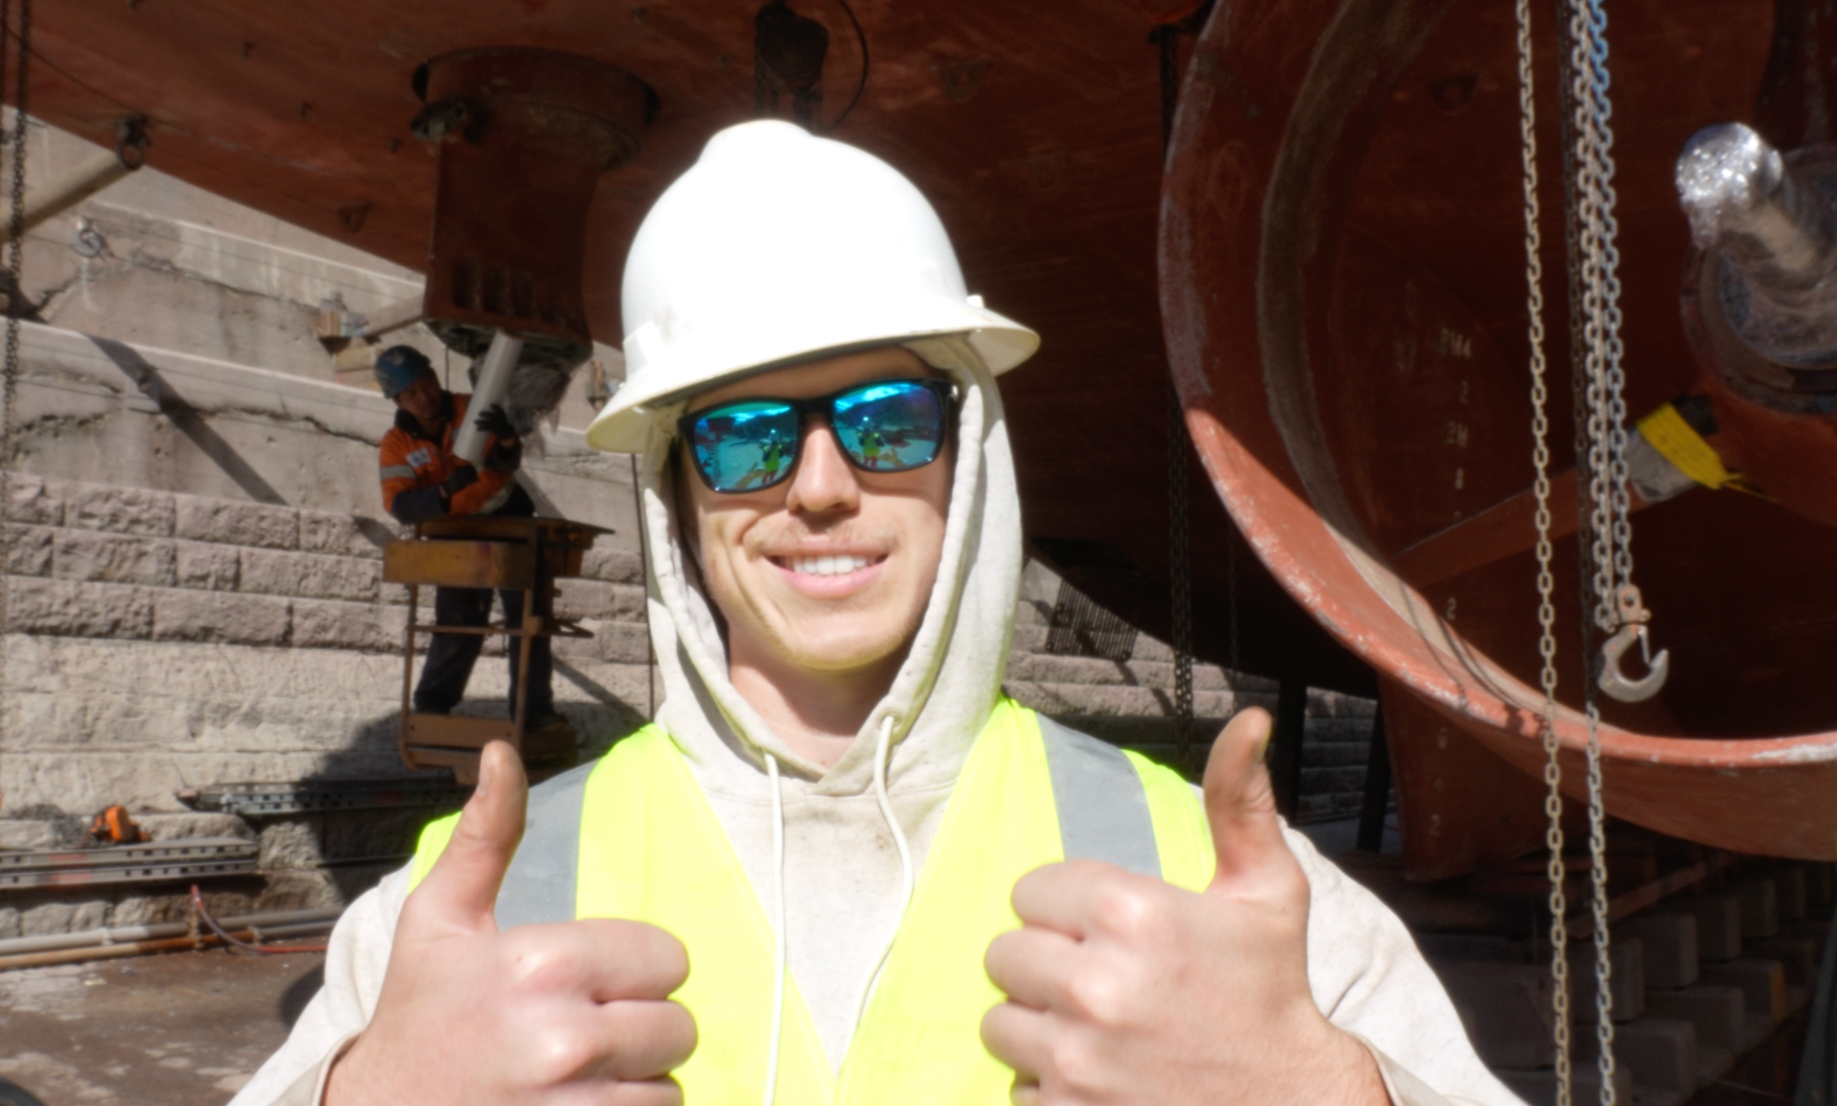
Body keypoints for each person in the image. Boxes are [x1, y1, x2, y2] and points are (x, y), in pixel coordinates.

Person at [232, 122, 1520, 1106]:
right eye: (739, 437)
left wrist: (1334, 1090)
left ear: (971, 452)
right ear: (674, 493)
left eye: (885, 419)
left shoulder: (1219, 879)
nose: (822, 485)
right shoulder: (466, 901)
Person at [372, 345, 565, 736]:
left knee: (529, 616)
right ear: (397, 400)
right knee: (458, 620)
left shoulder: (471, 409)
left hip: (507, 517)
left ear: (435, 377)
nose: (424, 397)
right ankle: (431, 707)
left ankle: (534, 712)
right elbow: (401, 505)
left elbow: (502, 465)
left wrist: (509, 442)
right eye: (412, 393)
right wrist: (442, 495)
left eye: (426, 384)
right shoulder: (396, 444)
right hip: (456, 531)